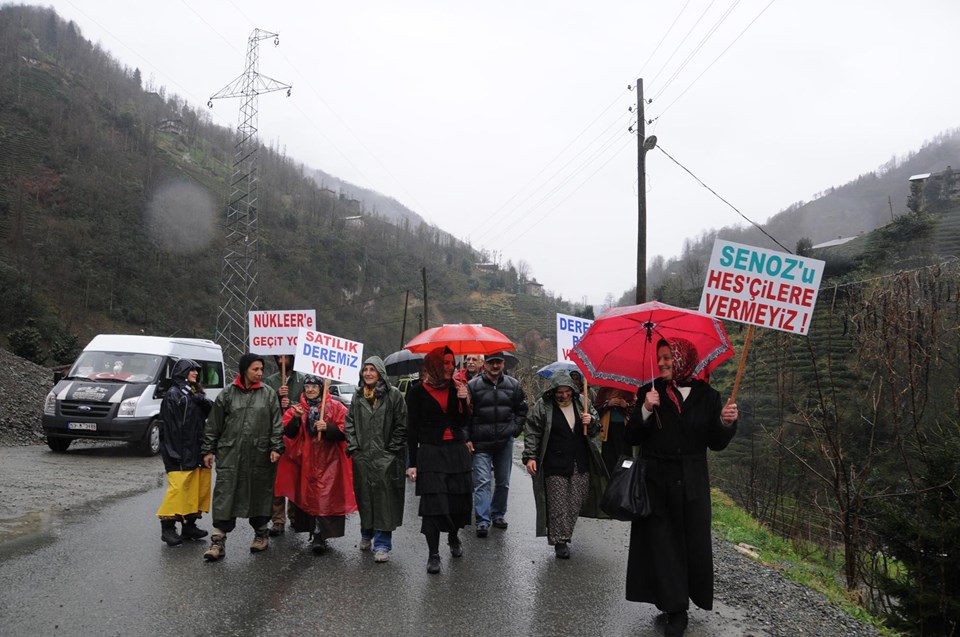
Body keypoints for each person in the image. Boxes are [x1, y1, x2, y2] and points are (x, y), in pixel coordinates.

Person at [625, 338, 738, 637]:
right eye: (659, 358)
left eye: (667, 358)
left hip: (692, 484)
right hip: (656, 481)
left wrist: (727, 424)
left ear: (683, 359)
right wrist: (646, 410)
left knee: (689, 544)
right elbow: (633, 436)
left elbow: (716, 443)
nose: (662, 363)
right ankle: (675, 609)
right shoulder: (648, 392)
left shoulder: (709, 397)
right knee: (662, 545)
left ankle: (680, 599)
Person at [200, 353, 284, 561]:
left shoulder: (268, 394)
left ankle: (261, 535)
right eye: (255, 369)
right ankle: (218, 541)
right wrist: (208, 450)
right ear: (244, 369)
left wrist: (276, 447)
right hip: (231, 455)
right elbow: (213, 424)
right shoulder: (228, 394)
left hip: (260, 455)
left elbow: (276, 424)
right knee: (225, 494)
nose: (259, 373)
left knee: (260, 493)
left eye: (261, 370)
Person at [522, 369, 605, 559]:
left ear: (572, 389)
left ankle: (564, 533)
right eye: (560, 391)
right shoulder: (544, 406)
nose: (564, 395)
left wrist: (590, 420)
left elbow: (596, 428)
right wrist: (531, 456)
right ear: (553, 390)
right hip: (555, 462)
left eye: (567, 390)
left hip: (580, 460)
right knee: (558, 503)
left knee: (576, 500)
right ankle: (560, 541)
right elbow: (532, 431)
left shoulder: (583, 403)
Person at [405, 346, 473, 574]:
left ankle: (453, 538)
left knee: (457, 501)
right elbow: (411, 430)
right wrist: (412, 463)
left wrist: (464, 401)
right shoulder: (416, 392)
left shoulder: (457, 388)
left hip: (456, 451)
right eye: (445, 363)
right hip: (430, 453)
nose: (450, 367)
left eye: (452, 363)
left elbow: (463, 422)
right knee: (434, 505)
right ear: (433, 364)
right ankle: (433, 554)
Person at [274, 375, 357, 554]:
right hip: (306, 462)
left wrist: (328, 428)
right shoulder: (298, 408)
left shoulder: (335, 407)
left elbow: (346, 430)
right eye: (307, 386)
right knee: (310, 498)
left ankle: (321, 536)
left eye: (314, 386)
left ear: (321, 388)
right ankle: (314, 532)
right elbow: (288, 433)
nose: (310, 389)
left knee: (325, 499)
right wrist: (295, 419)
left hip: (330, 462)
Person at [344, 356, 407, 563]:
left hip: (386, 458)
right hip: (363, 457)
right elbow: (349, 422)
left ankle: (382, 544)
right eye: (365, 370)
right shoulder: (358, 396)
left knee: (384, 501)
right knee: (365, 497)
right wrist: (354, 447)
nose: (368, 373)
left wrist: (390, 451)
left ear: (380, 372)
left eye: (372, 369)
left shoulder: (394, 396)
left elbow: (401, 425)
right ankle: (366, 533)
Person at [466, 351, 527, 537]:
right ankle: (483, 520)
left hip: (504, 442)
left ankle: (498, 514)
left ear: (503, 364)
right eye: (491, 362)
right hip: (480, 442)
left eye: (498, 362)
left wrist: (514, 430)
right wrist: (467, 438)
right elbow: (465, 415)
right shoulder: (472, 386)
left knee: (503, 482)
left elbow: (522, 410)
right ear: (484, 364)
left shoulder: (514, 385)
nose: (495, 366)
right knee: (482, 482)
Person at [155, 358, 213, 546]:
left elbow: (209, 413)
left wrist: (201, 399)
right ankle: (168, 527)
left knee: (196, 487)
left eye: (197, 371)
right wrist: (174, 452)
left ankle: (189, 525)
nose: (196, 373)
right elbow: (170, 427)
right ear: (182, 372)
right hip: (179, 451)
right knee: (179, 489)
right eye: (192, 370)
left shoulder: (195, 393)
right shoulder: (174, 394)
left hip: (195, 449)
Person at [264, 354, 306, 536]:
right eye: (278, 358)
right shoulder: (271, 380)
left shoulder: (303, 380)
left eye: (286, 358)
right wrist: (276, 395)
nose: (282, 361)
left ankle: (295, 516)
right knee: (277, 479)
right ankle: (278, 520)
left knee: (295, 478)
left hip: (297, 436)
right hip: (276, 434)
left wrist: (292, 405)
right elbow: (264, 404)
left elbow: (309, 403)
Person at [593, 386, 638, 475]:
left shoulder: (629, 389)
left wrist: (626, 405)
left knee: (625, 455)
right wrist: (608, 403)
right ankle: (610, 481)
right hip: (608, 428)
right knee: (610, 457)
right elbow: (596, 409)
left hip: (624, 428)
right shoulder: (604, 389)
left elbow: (636, 409)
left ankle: (624, 480)